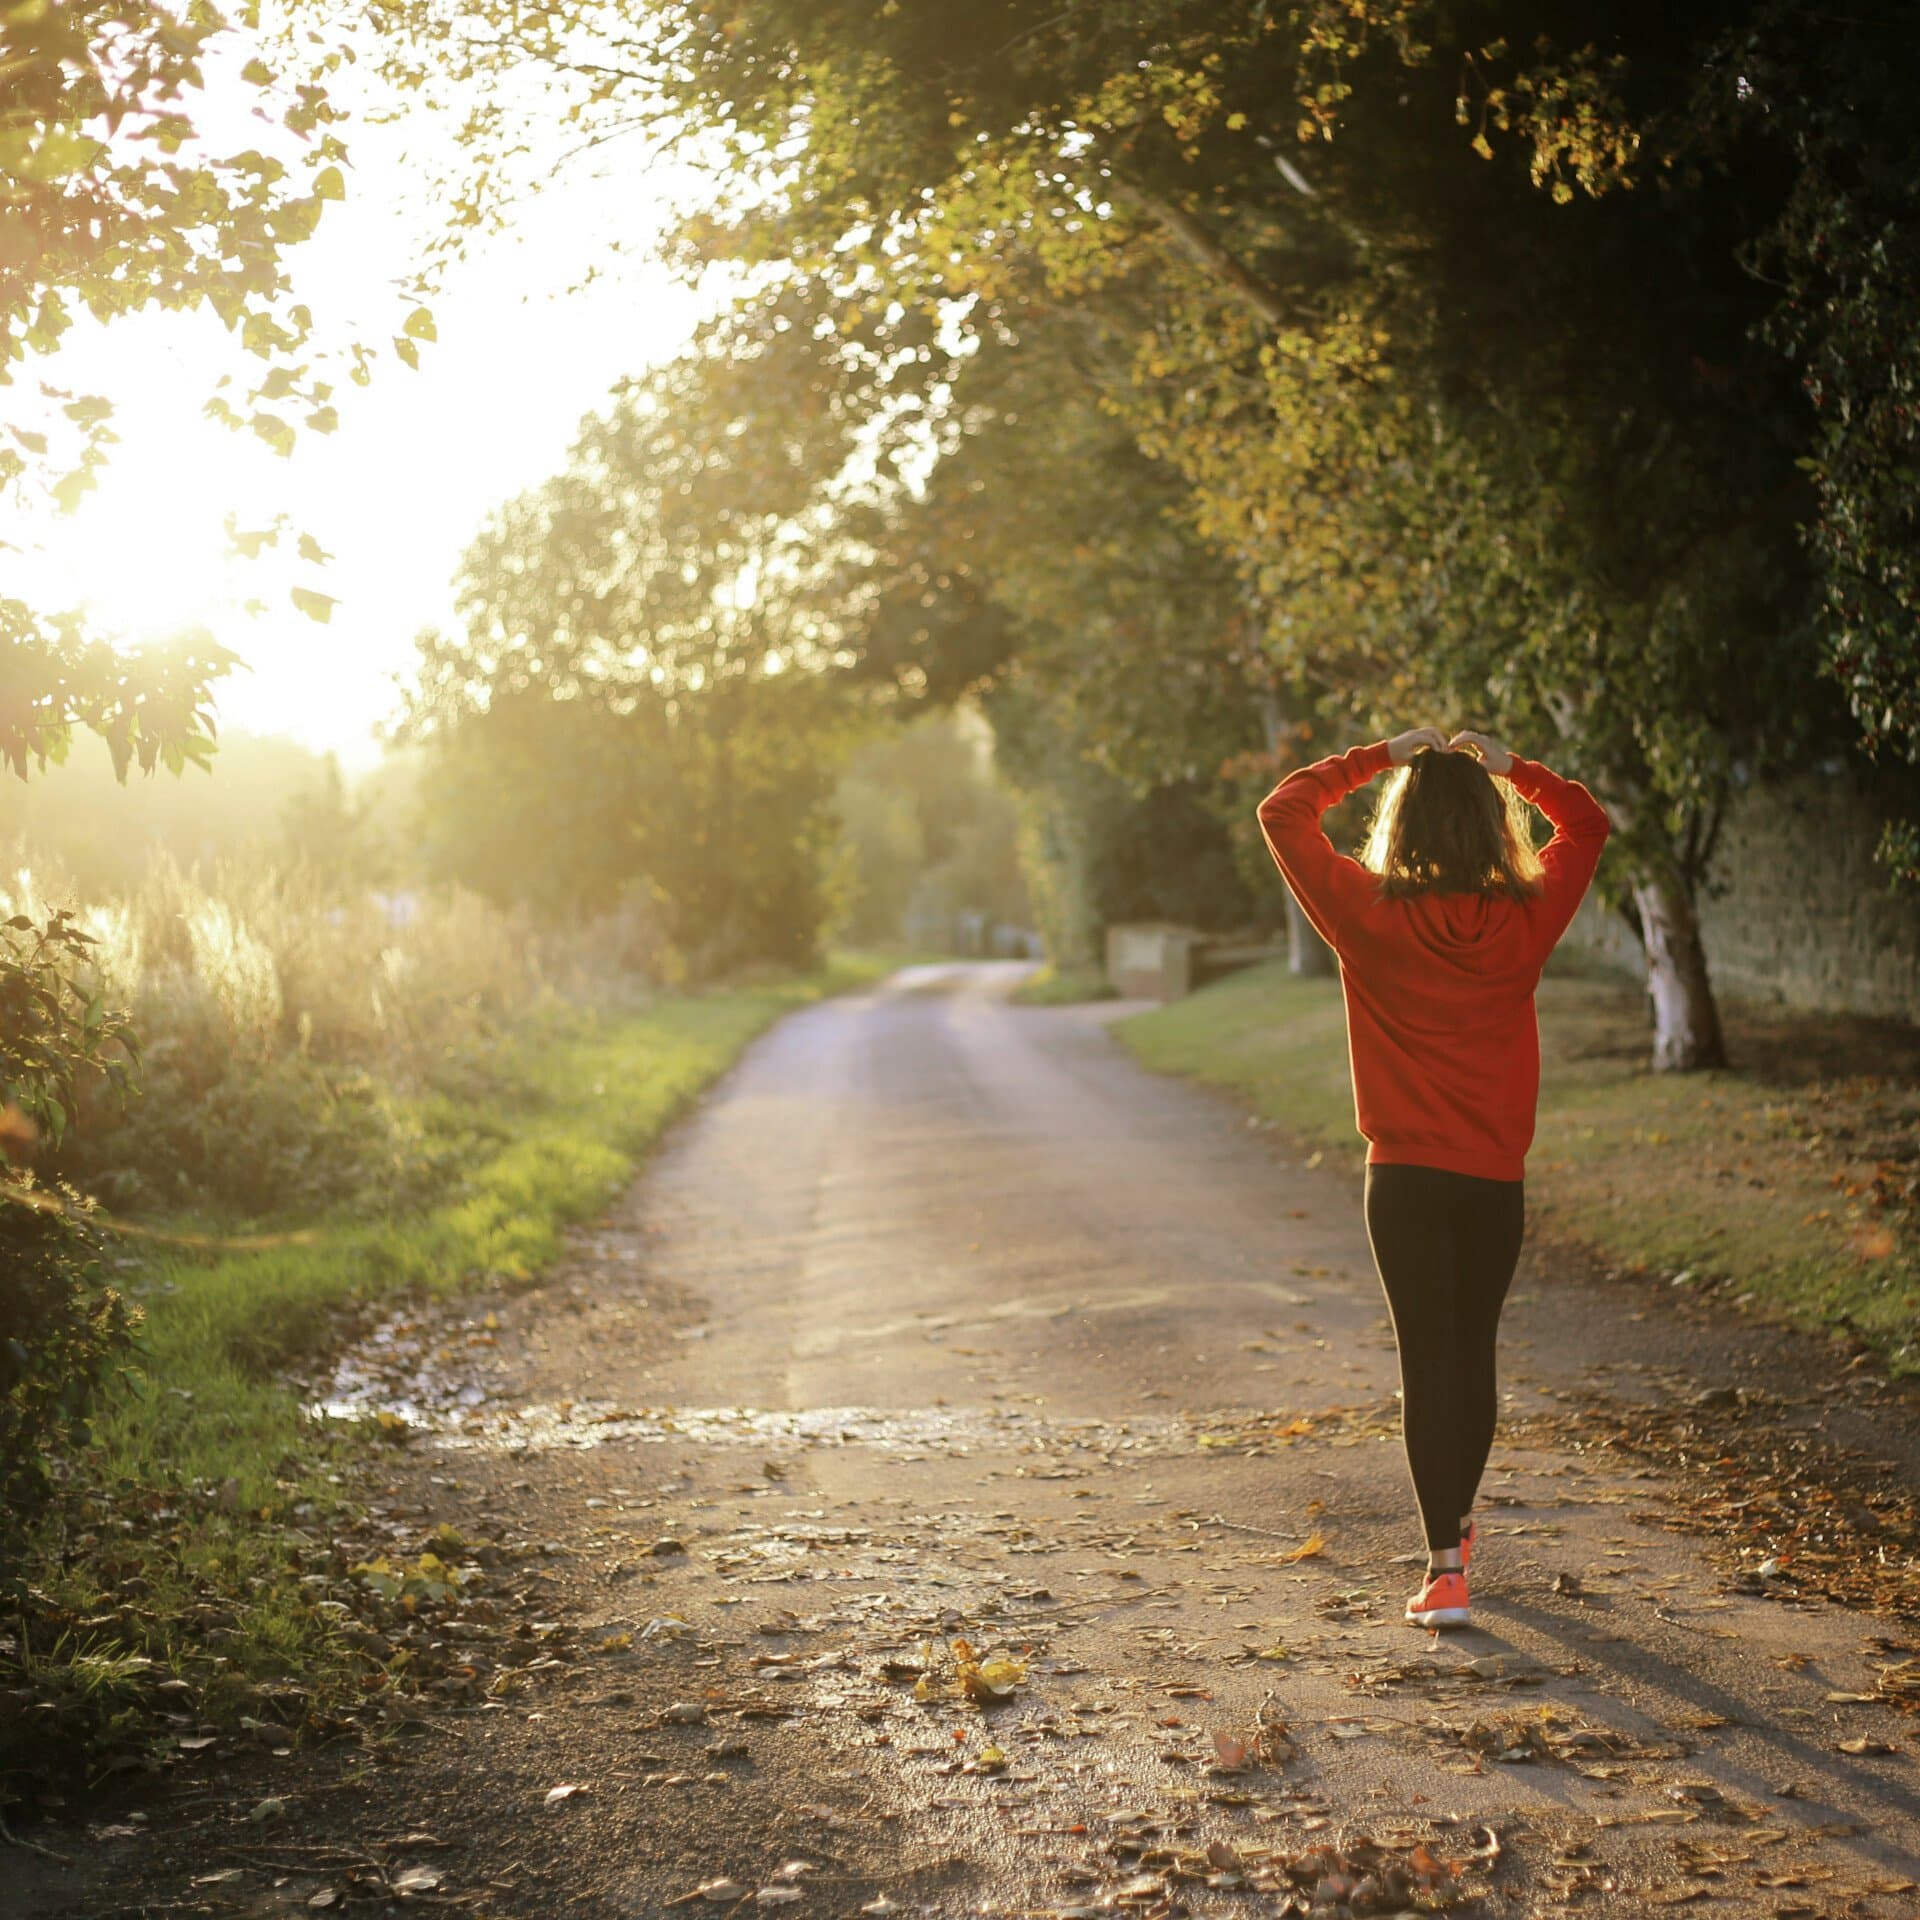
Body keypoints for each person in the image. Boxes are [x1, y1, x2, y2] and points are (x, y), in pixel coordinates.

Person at [1255, 726, 1609, 1629]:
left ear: (1401, 825)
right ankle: (1452, 1530)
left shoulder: (1365, 911)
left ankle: (1445, 1566)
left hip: (1404, 1178)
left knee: (1428, 1359)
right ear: (1493, 828)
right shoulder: (1528, 914)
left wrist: (1378, 756)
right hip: (1493, 1178)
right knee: (1473, 1351)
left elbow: (1283, 811)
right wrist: (1515, 769)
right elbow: (1588, 822)